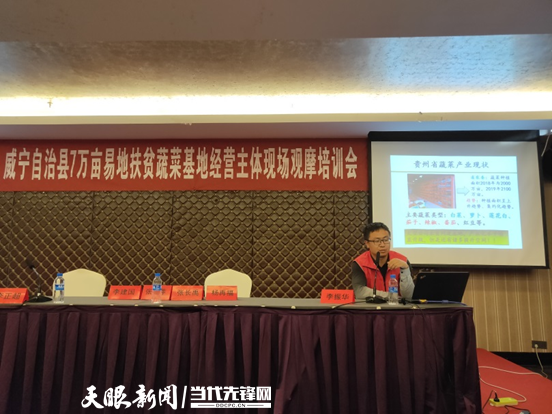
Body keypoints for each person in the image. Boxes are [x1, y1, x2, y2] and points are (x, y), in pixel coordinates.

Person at [351, 222, 414, 300]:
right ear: (367, 244)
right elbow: (359, 292)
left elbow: (409, 296)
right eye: (377, 241)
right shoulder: (360, 263)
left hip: (397, 306)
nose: (382, 245)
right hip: (371, 307)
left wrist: (405, 270)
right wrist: (391, 296)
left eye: (386, 240)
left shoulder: (402, 261)